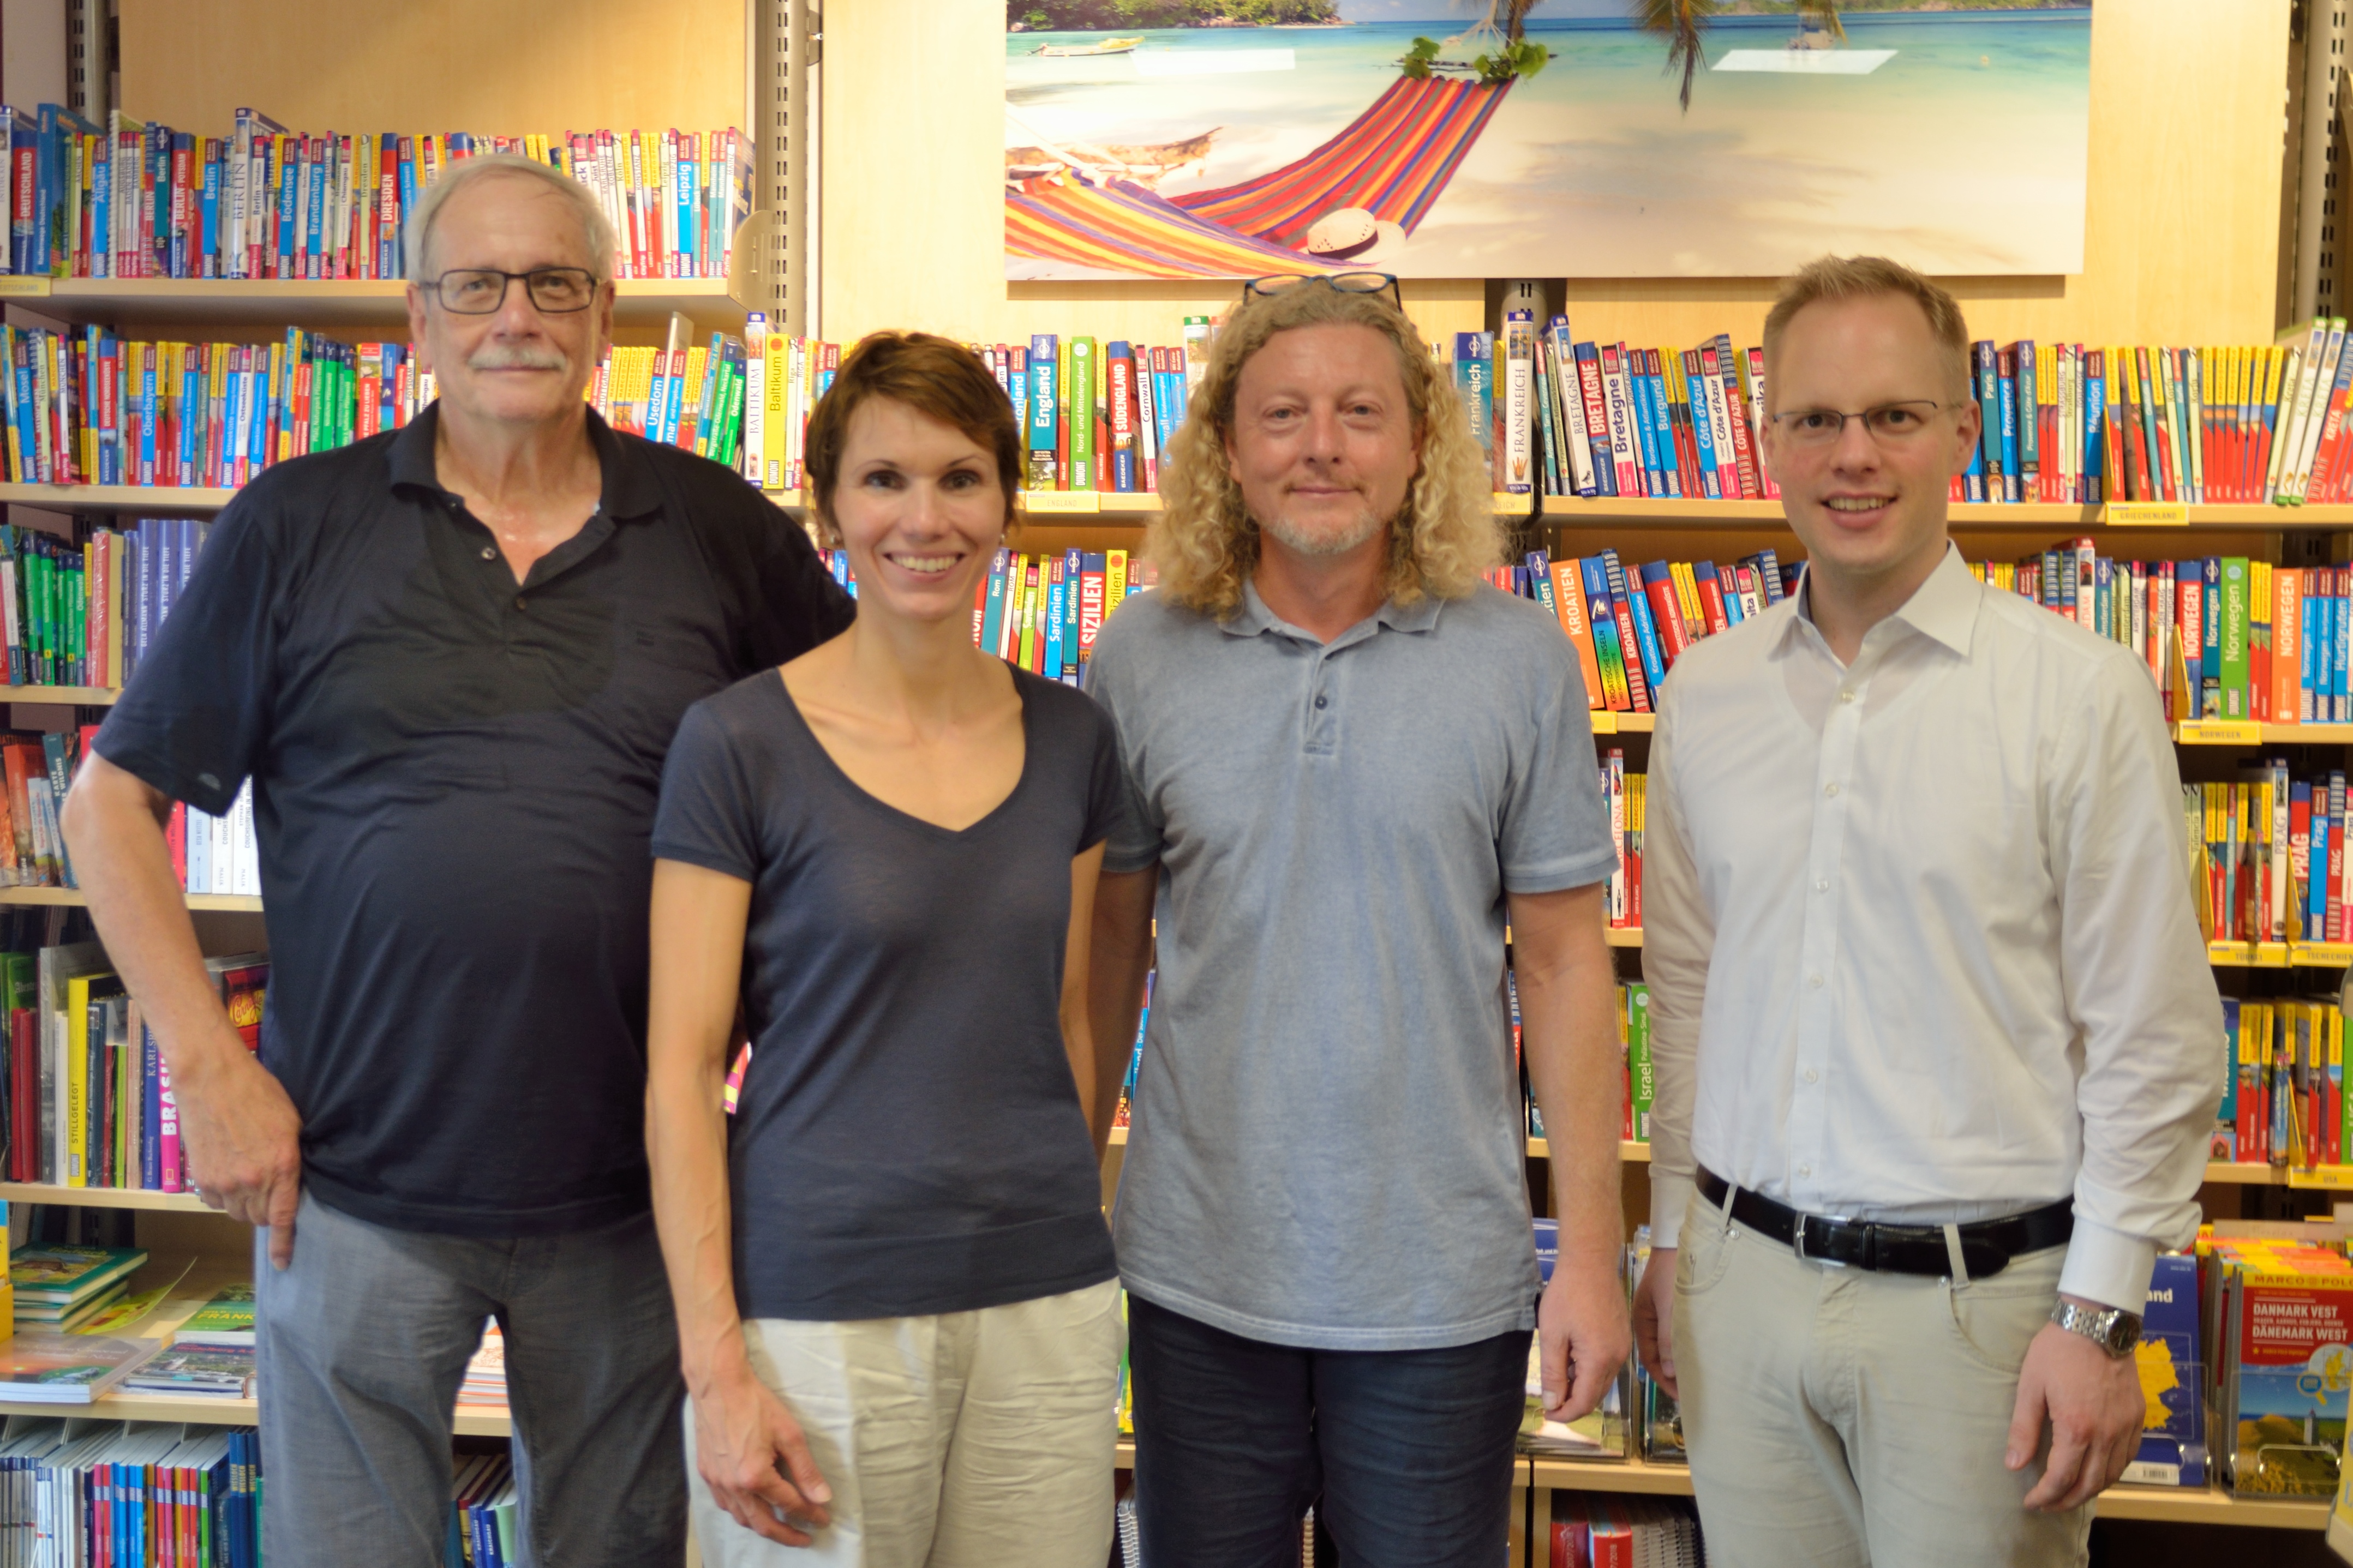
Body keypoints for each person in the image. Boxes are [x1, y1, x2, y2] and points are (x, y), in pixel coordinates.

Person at [61, 153, 851, 1566]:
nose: (515, 317)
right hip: (348, 1185)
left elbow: (860, 776)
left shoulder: (720, 529)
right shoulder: (295, 525)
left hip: (633, 1198)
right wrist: (206, 1066)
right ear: (415, 321)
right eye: (475, 284)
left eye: (553, 282)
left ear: (606, 313)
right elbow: (106, 807)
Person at [1631, 255, 2223, 1567]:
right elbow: (1684, 992)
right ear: (1766, 437)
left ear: (1964, 427)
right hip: (1741, 1289)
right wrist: (1674, 1239)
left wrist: (2103, 1317)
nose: (1855, 456)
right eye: (1817, 419)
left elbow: (2157, 1039)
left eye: (1895, 416)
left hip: (1987, 1322)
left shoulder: (2082, 694)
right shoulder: (1706, 692)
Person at [1086, 275, 1631, 1567]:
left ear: (1420, 447)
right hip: (1196, 1276)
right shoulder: (1140, 656)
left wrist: (1593, 1256)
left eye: (1358, 412)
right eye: (1281, 413)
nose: (1320, 445)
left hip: (1441, 1289)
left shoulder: (1518, 658)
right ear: (1227, 448)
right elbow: (1107, 950)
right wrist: (1063, 1202)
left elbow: (1562, 964)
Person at [645, 331, 1127, 1568]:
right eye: (885, 479)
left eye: (963, 478)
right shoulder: (736, 742)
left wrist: (1045, 1216)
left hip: (1046, 1295)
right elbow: (683, 1071)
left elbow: (1068, 1018)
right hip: (816, 1307)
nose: (927, 517)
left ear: (1008, 504)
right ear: (829, 507)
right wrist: (717, 1367)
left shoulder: (1073, 736)